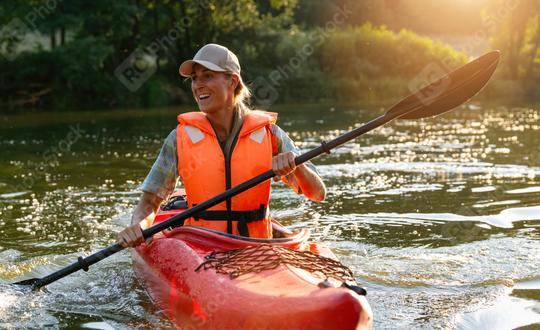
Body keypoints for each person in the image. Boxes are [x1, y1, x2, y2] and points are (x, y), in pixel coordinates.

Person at [117, 43, 326, 247]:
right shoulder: (179, 138)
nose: (198, 85)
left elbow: (318, 193)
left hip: (256, 246)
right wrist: (138, 227)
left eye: (207, 76)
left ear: (232, 81)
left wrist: (297, 166)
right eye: (194, 78)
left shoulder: (270, 134)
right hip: (201, 247)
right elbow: (149, 202)